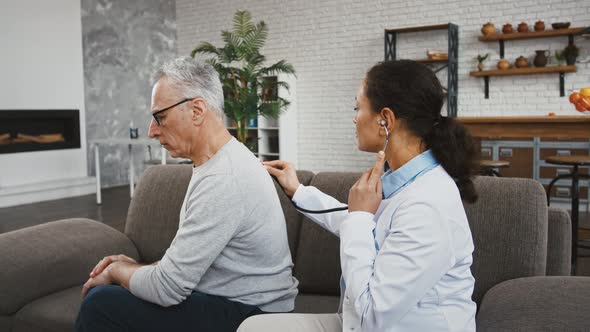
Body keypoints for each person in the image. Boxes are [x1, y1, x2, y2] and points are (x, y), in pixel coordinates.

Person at [239, 60, 479, 332]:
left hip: (389, 324)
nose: (354, 118)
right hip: (366, 322)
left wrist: (360, 218)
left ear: (385, 120)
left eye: (358, 108)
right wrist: (298, 190)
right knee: (254, 327)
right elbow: (365, 224)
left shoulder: (427, 205)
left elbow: (370, 315)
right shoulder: (404, 180)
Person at [75, 57, 299, 332]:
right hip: (239, 302)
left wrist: (116, 272)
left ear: (196, 110)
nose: (152, 131)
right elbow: (188, 268)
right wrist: (140, 269)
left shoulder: (224, 178)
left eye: (161, 117)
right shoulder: (219, 161)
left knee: (99, 304)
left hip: (254, 316)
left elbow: (168, 289)